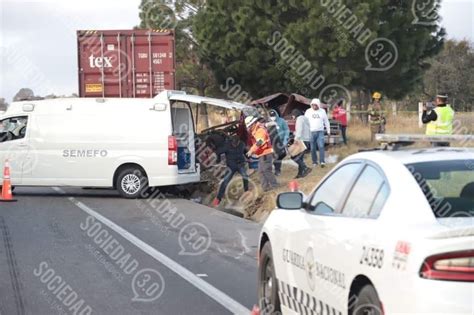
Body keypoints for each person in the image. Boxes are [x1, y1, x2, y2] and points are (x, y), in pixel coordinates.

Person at [212, 135, 249, 206]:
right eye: (233, 144)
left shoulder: (242, 144)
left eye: (236, 144)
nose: (234, 145)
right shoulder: (227, 146)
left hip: (240, 164)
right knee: (225, 181)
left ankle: (246, 191)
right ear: (231, 142)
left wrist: (247, 157)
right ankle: (218, 198)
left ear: (239, 142)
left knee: (245, 176)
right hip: (231, 166)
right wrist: (218, 159)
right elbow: (218, 152)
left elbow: (245, 151)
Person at [245, 115, 279, 192]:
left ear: (253, 124)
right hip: (262, 154)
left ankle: (275, 185)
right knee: (261, 171)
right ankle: (265, 188)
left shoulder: (260, 130)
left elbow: (259, 142)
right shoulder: (256, 131)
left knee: (266, 170)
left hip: (266, 153)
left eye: (249, 126)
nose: (248, 128)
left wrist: (251, 151)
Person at [304, 98, 330, 167]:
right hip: (311, 132)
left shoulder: (322, 111)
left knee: (321, 146)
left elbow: (326, 121)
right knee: (312, 148)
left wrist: (328, 130)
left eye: (315, 105)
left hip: (320, 132)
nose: (314, 107)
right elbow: (305, 122)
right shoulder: (308, 111)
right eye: (313, 105)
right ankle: (314, 162)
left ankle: (322, 162)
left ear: (318, 105)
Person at [290, 109, 312, 178]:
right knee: (300, 158)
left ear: (295, 115)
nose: (292, 117)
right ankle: (300, 174)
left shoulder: (299, 119)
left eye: (292, 116)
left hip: (301, 140)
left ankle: (305, 168)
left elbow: (299, 130)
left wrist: (295, 139)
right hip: (307, 140)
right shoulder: (305, 119)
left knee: (293, 156)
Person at [268, 109, 289, 176]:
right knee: (276, 156)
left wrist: (285, 140)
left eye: (273, 116)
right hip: (273, 142)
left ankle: (276, 167)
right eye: (271, 116)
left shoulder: (281, 121)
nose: (272, 117)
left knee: (282, 155)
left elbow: (286, 130)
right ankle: (277, 170)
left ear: (276, 115)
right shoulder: (269, 123)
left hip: (281, 141)